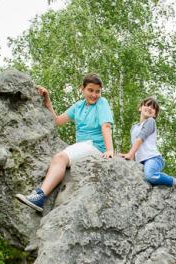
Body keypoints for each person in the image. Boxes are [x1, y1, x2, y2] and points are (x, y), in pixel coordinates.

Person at [16, 73, 115, 213]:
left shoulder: (102, 103)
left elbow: (106, 126)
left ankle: (39, 196)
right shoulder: (78, 106)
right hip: (83, 146)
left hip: (95, 146)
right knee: (58, 159)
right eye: (90, 90)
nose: (94, 94)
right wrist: (47, 100)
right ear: (82, 89)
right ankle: (41, 196)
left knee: (60, 157)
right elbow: (57, 121)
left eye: (97, 91)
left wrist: (109, 150)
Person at [119, 96, 176, 194]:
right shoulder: (133, 128)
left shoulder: (150, 121)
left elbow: (141, 138)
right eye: (147, 105)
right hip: (141, 161)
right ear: (140, 108)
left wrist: (129, 154)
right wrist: (132, 160)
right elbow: (134, 145)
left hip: (153, 158)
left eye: (153, 108)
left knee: (150, 176)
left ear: (155, 114)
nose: (150, 108)